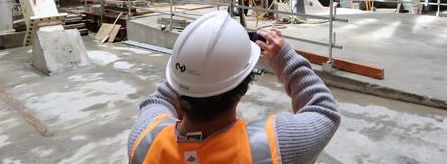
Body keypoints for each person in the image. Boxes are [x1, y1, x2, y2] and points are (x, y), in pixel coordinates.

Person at [127, 10, 340, 163]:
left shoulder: (143, 140)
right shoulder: (273, 148)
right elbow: (324, 110)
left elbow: (160, 99)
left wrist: (194, 62)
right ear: (242, 88)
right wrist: (284, 56)